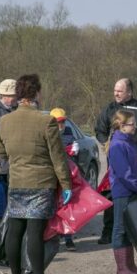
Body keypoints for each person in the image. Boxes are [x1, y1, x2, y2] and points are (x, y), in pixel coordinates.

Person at [0, 74, 71, 274]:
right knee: (35, 232)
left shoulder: (5, 121)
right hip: (41, 183)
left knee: (15, 229)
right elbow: (58, 158)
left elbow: (1, 152)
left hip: (17, 180)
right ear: (36, 93)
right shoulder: (46, 121)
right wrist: (66, 185)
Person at [94, 78, 137, 244]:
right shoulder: (110, 109)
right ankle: (108, 231)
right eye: (115, 90)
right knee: (114, 196)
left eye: (120, 91)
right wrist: (106, 144)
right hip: (118, 160)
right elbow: (99, 129)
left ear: (129, 92)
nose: (116, 93)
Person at [107, 109, 137, 274]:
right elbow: (124, 173)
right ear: (121, 125)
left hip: (133, 190)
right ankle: (122, 267)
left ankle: (130, 265)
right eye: (132, 124)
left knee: (130, 228)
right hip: (123, 192)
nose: (135, 127)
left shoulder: (130, 142)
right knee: (120, 228)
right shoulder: (117, 145)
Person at [50, 107, 79, 251]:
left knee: (67, 207)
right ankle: (54, 236)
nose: (61, 125)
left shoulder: (68, 133)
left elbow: (73, 157)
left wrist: (73, 151)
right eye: (57, 122)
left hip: (66, 177)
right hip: (52, 177)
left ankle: (68, 238)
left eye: (63, 122)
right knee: (53, 208)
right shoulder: (48, 134)